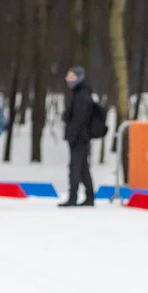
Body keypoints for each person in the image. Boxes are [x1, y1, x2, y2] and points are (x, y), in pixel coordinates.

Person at [60, 67, 96, 207]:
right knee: (82, 168)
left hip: (79, 137)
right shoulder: (80, 93)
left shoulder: (81, 96)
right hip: (81, 136)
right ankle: (89, 196)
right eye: (68, 77)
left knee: (75, 167)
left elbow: (79, 119)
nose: (69, 80)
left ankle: (73, 197)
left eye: (72, 77)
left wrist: (72, 135)